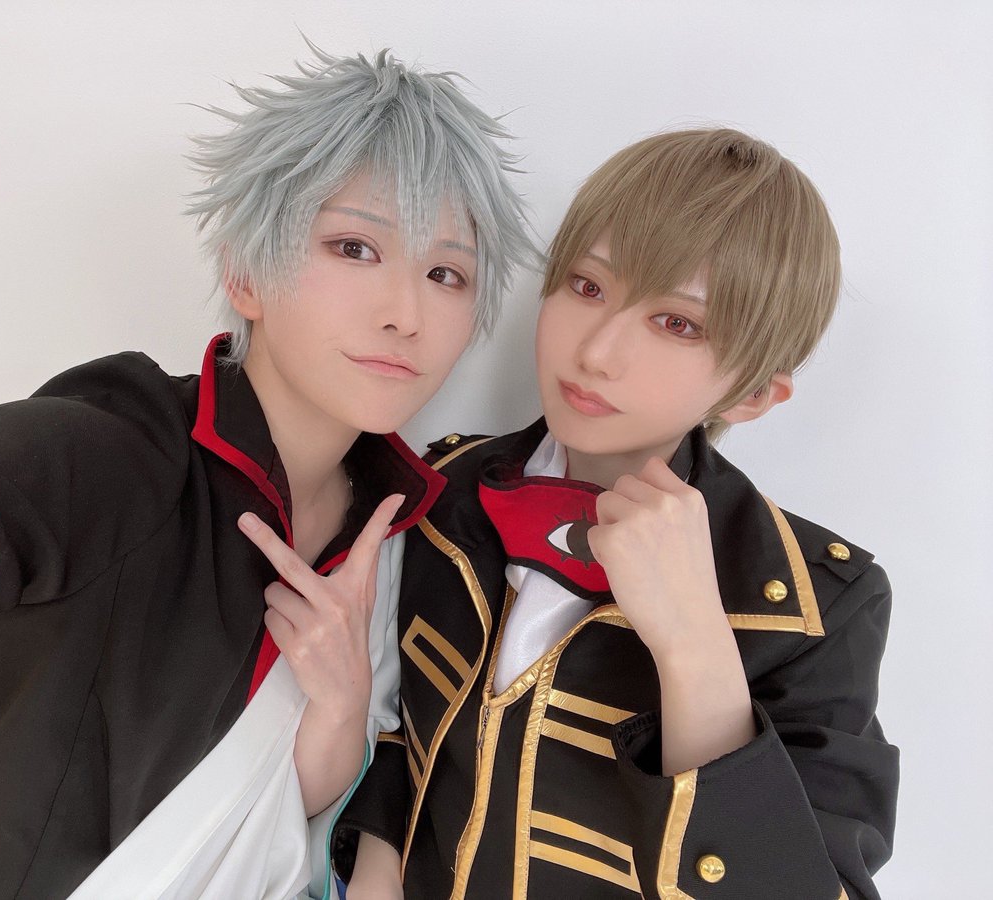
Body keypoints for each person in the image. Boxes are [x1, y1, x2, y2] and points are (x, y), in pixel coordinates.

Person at [0, 46, 534, 899]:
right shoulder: (121, 450)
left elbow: (284, 816)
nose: (406, 313)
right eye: (354, 247)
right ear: (246, 273)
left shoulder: (406, 529)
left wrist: (339, 711)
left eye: (445, 273)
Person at [336, 129, 899, 899]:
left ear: (753, 393)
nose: (596, 352)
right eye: (587, 286)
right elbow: (398, 727)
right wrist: (376, 868)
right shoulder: (444, 490)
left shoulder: (813, 605)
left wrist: (696, 649)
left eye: (677, 323)